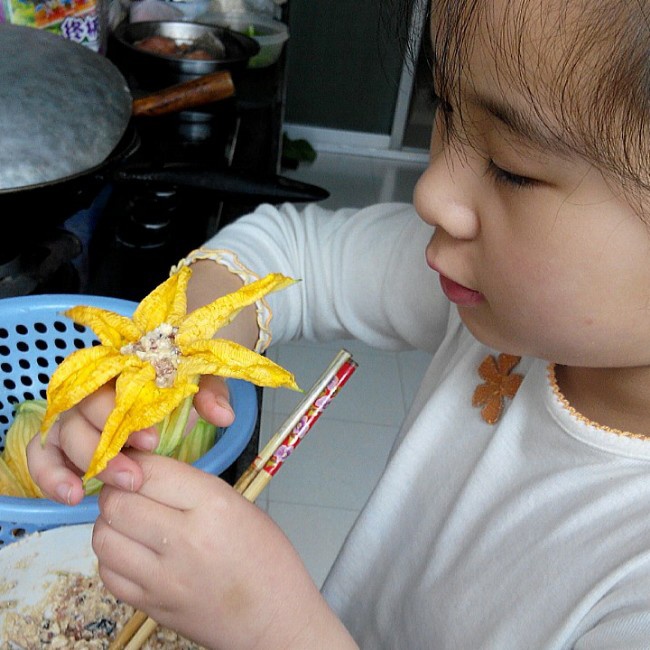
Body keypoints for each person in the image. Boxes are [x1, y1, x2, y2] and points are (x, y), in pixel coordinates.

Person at [26, 0, 650, 647]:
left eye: (511, 166)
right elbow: (289, 252)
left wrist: (274, 626)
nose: (430, 191)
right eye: (447, 113)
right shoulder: (498, 303)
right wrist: (166, 358)